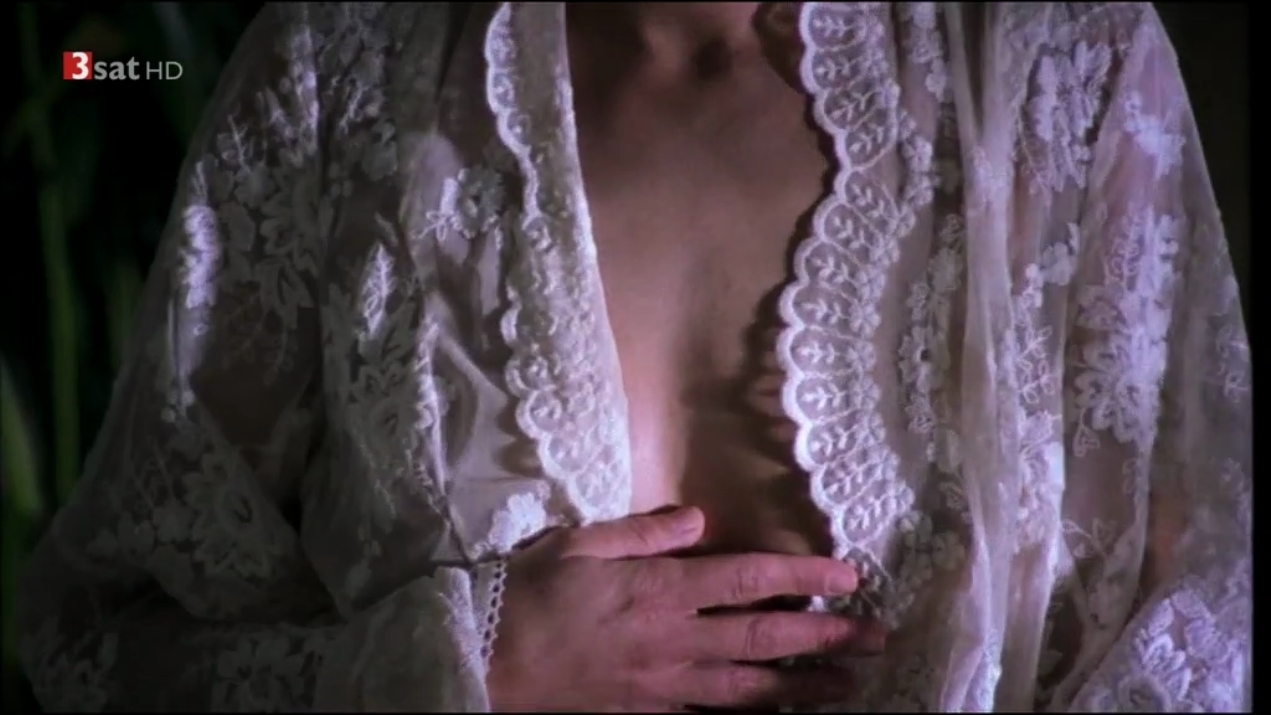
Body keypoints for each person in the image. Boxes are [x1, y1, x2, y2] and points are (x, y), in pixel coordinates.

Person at [17, 2, 1251, 712]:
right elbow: (96, 639)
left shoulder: (1062, 63)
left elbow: (1207, 625)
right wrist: (453, 666)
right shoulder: (338, 69)